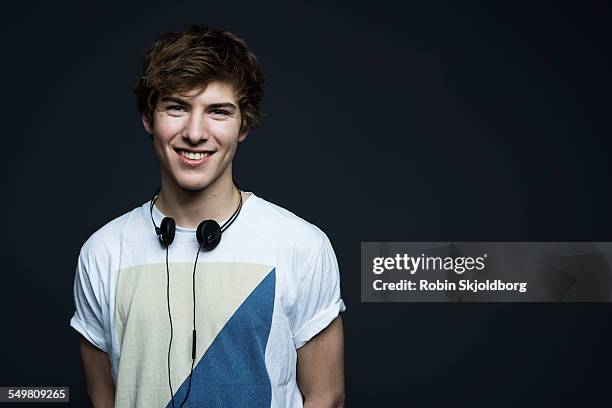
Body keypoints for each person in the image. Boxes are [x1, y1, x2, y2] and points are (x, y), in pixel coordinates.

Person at [69, 24, 346, 408]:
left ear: (243, 124)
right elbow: (103, 398)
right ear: (149, 118)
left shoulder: (301, 245)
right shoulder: (102, 251)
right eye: (177, 107)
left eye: (218, 111)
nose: (195, 133)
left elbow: (326, 397)